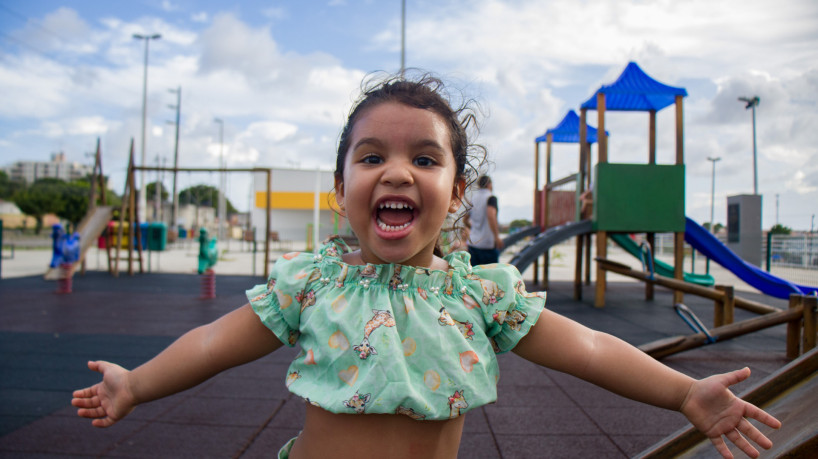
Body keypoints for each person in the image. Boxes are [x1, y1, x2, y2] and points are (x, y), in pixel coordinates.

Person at [73, 72, 780, 459]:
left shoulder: (479, 293)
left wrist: (682, 393)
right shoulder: (314, 283)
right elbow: (215, 341)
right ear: (340, 189)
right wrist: (137, 383)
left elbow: (589, 346)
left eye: (425, 158)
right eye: (372, 156)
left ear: (456, 194)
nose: (397, 172)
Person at [468, 175, 503, 265]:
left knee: (474, 276)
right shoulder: (491, 198)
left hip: (473, 243)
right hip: (487, 244)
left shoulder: (473, 199)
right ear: (489, 184)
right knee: (490, 277)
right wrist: (496, 237)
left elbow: (465, 219)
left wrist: (473, 229)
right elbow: (491, 216)